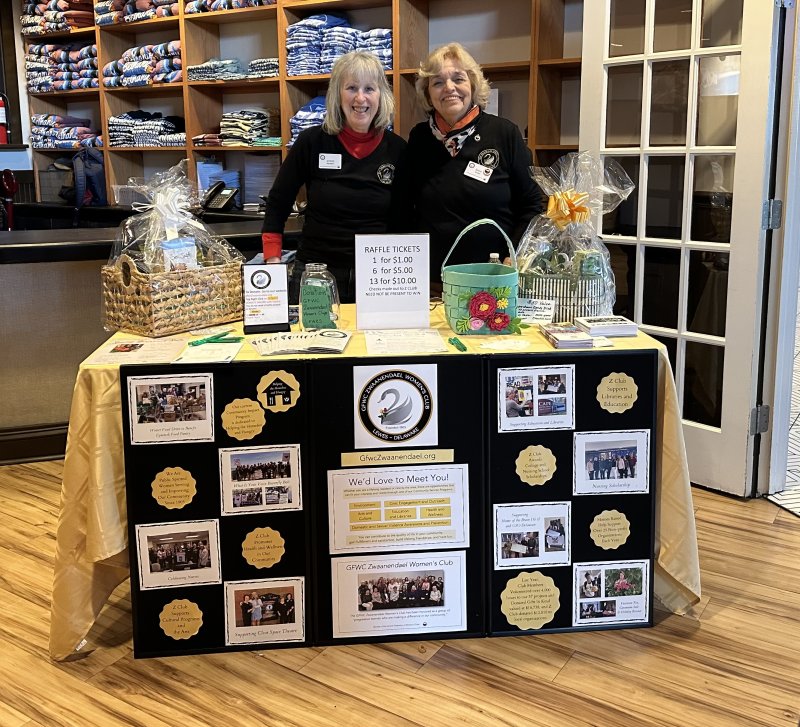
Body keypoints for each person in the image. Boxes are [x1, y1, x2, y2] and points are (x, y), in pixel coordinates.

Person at [262, 51, 408, 303]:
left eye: (369, 88)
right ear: (337, 95)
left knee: (375, 342)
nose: (360, 98)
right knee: (311, 341)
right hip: (317, 270)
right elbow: (279, 200)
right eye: (351, 87)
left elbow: (407, 215)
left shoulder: (397, 149)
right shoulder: (311, 142)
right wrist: (272, 257)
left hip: (380, 276)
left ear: (381, 96)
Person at [408, 42, 546, 280]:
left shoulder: (505, 134)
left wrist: (513, 256)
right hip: (431, 281)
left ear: (472, 84)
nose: (449, 88)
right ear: (428, 94)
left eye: (458, 79)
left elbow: (532, 205)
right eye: (438, 82)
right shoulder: (419, 138)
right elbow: (404, 207)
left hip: (492, 279)